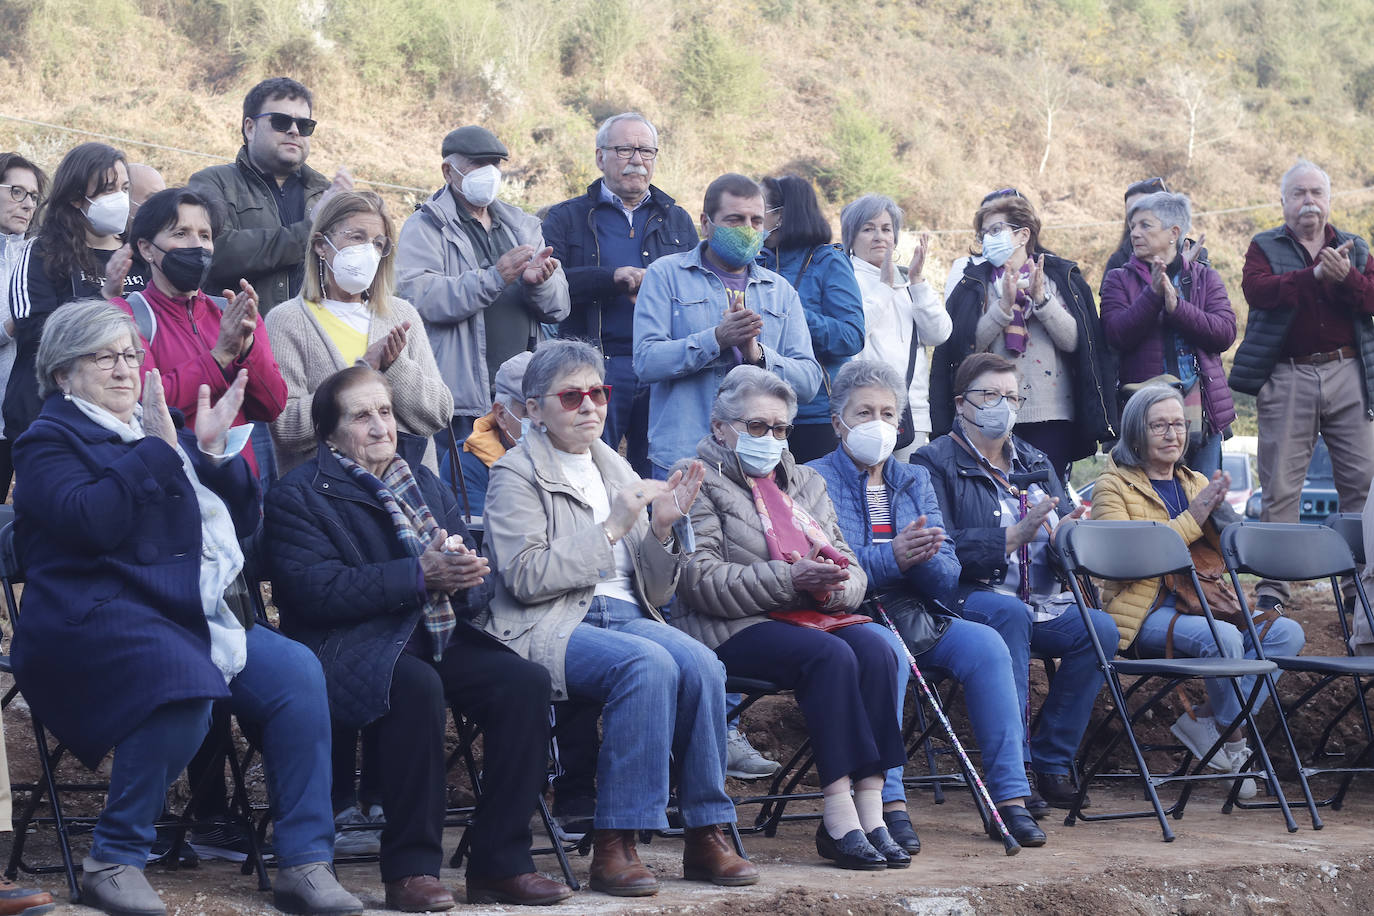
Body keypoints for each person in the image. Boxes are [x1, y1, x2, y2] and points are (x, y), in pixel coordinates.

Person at [9, 299, 361, 916]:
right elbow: (91, 524)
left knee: (297, 672)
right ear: (63, 374)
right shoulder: (48, 439)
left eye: (129, 355)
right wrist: (157, 449)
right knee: (183, 685)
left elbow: (244, 525)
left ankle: (305, 862)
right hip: (96, 615)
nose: (123, 370)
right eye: (103, 358)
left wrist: (218, 455)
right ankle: (114, 857)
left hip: (189, 612)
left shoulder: (159, 424)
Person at [264, 366, 570, 910]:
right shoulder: (299, 495)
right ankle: (410, 869)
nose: (381, 426)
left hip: (431, 631)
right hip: (346, 646)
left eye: (385, 411)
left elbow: (470, 591)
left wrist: (467, 576)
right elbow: (315, 593)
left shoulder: (422, 481)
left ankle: (501, 863)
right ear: (330, 432)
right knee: (416, 686)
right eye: (362, 416)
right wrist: (419, 576)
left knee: (524, 682)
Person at [483, 340, 757, 896]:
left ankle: (706, 830)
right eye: (571, 395)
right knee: (649, 665)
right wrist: (611, 527)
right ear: (534, 408)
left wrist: (660, 530)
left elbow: (654, 590)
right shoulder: (515, 473)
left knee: (703, 665)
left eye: (599, 393)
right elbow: (524, 577)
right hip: (552, 622)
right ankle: (616, 843)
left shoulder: (614, 465)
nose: (590, 406)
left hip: (628, 615)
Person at [671, 365, 910, 870]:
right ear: (721, 428)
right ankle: (838, 814)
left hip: (807, 615)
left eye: (780, 429)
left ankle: (874, 808)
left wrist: (832, 587)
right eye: (757, 427)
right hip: (730, 626)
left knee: (879, 648)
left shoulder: (806, 482)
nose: (771, 439)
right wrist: (790, 580)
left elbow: (851, 566)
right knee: (828, 657)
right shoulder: (696, 480)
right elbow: (698, 580)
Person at [809, 359, 1045, 849]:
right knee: (887, 656)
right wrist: (896, 556)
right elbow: (838, 567)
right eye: (865, 412)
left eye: (889, 414)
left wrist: (924, 559)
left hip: (916, 608)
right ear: (838, 422)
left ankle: (1011, 798)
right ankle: (890, 805)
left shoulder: (912, 479)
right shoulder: (813, 480)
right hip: (849, 612)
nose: (879, 423)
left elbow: (948, 575)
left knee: (987, 645)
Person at [916, 352, 1119, 814]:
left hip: (1040, 600)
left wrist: (1072, 530)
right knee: (1008, 615)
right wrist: (1011, 536)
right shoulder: (933, 462)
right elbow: (938, 545)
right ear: (961, 402)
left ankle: (1052, 760)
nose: (1002, 405)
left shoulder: (1033, 456)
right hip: (969, 597)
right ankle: (1015, 767)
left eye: (1011, 396)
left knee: (1100, 629)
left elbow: (1064, 520)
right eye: (990, 394)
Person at [1090, 384, 1307, 795]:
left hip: (1204, 604)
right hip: (1144, 613)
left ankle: (1214, 723)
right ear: (1136, 432)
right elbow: (1132, 559)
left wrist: (1224, 518)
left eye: (1178, 424)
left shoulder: (1195, 481)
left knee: (1286, 632)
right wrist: (1195, 514)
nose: (1173, 434)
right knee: (1225, 638)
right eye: (1160, 426)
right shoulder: (1112, 487)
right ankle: (1235, 743)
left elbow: (1230, 552)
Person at [1230, 159, 1374, 615]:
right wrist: (1312, 277)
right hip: (1288, 373)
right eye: (1299, 193)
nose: (1308, 201)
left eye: (1316, 193)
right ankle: (1274, 587)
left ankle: (1359, 587)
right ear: (1284, 201)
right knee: (1280, 484)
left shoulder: (1355, 246)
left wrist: (1345, 277)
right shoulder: (1265, 245)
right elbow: (1258, 291)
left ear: (1328, 201)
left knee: (1361, 484)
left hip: (1348, 371)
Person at [394, 125, 568, 466]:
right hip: (462, 399)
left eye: (495, 164)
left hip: (522, 397)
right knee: (465, 493)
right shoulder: (426, 226)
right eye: (477, 164)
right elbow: (420, 297)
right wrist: (494, 278)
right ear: (448, 170)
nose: (489, 173)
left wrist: (539, 284)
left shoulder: (521, 224)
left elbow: (559, 306)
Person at [633, 172, 821, 478]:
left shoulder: (781, 290)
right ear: (706, 223)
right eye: (735, 220)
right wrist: (716, 340)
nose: (748, 230)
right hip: (684, 458)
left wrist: (758, 355)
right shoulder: (665, 275)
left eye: (756, 221)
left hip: (761, 461)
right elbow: (646, 362)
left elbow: (809, 382)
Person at [543, 113, 697, 476]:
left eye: (646, 150)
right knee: (591, 467)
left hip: (663, 367)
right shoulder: (567, 217)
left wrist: (659, 288)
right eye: (625, 149)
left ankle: (658, 535)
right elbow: (547, 283)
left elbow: (695, 284)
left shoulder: (677, 220)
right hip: (594, 366)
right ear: (600, 157)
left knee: (661, 471)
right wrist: (612, 278)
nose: (637, 159)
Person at [930, 189, 1116, 482]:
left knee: (1047, 497)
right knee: (999, 494)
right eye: (984, 233)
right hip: (990, 410)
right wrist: (1003, 307)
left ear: (1022, 234)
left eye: (996, 230)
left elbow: (1075, 341)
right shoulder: (976, 282)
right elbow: (967, 346)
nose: (988, 239)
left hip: (1051, 412)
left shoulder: (1056, 276)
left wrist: (1041, 299)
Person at [268, 191, 453, 476]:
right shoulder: (287, 321)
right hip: (329, 502)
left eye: (378, 244)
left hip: (409, 496)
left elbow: (439, 414)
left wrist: (395, 367)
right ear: (321, 245)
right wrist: (364, 370)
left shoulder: (401, 316)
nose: (369, 251)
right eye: (356, 237)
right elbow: (286, 428)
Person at [114, 186, 287, 477]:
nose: (197, 246)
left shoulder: (231, 312)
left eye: (205, 236)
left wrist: (247, 348)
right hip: (170, 484)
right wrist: (220, 356)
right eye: (181, 233)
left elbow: (272, 405)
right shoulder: (126, 314)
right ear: (146, 248)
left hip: (238, 486)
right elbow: (145, 404)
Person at [4, 142, 147, 442]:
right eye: (107, 190)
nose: (119, 199)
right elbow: (33, 331)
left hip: (124, 416)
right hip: (51, 416)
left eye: (123, 188)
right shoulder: (43, 251)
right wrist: (105, 299)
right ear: (74, 197)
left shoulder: (140, 254)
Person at [1100, 191, 1236, 478]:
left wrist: (1178, 308)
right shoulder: (1118, 278)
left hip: (1201, 411)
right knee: (1146, 503)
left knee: (1202, 502)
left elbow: (1225, 333)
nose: (1134, 233)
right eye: (1132, 225)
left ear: (1174, 232)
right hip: (1144, 412)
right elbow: (1115, 334)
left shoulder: (1204, 277)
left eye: (1145, 225)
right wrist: (1153, 296)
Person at [188, 77, 347, 313]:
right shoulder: (212, 183)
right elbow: (215, 254)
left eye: (304, 125)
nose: (294, 131)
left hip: (317, 337)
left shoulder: (324, 193)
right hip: (241, 339)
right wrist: (310, 230)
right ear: (250, 128)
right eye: (281, 122)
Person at [756, 175, 864, 463]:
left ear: (781, 214)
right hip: (759, 411)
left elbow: (852, 335)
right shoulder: (755, 262)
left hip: (815, 414)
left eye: (760, 207)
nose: (753, 216)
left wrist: (792, 317)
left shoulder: (828, 261)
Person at [839, 194, 950, 457]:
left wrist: (918, 280)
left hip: (911, 415)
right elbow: (850, 334)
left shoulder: (910, 283)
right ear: (851, 238)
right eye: (868, 229)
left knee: (906, 493)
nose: (879, 236)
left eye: (886, 229)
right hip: (860, 413)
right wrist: (884, 289)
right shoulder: (843, 279)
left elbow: (940, 333)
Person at [0, 152, 46, 497]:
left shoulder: (39, 253)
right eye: (17, 192)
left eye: (32, 196)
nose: (28, 204)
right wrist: (16, 324)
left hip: (20, 416)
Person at [441, 350, 531, 516]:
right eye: (528, 411)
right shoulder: (465, 462)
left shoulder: (583, 451)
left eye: (548, 409)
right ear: (501, 415)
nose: (541, 420)